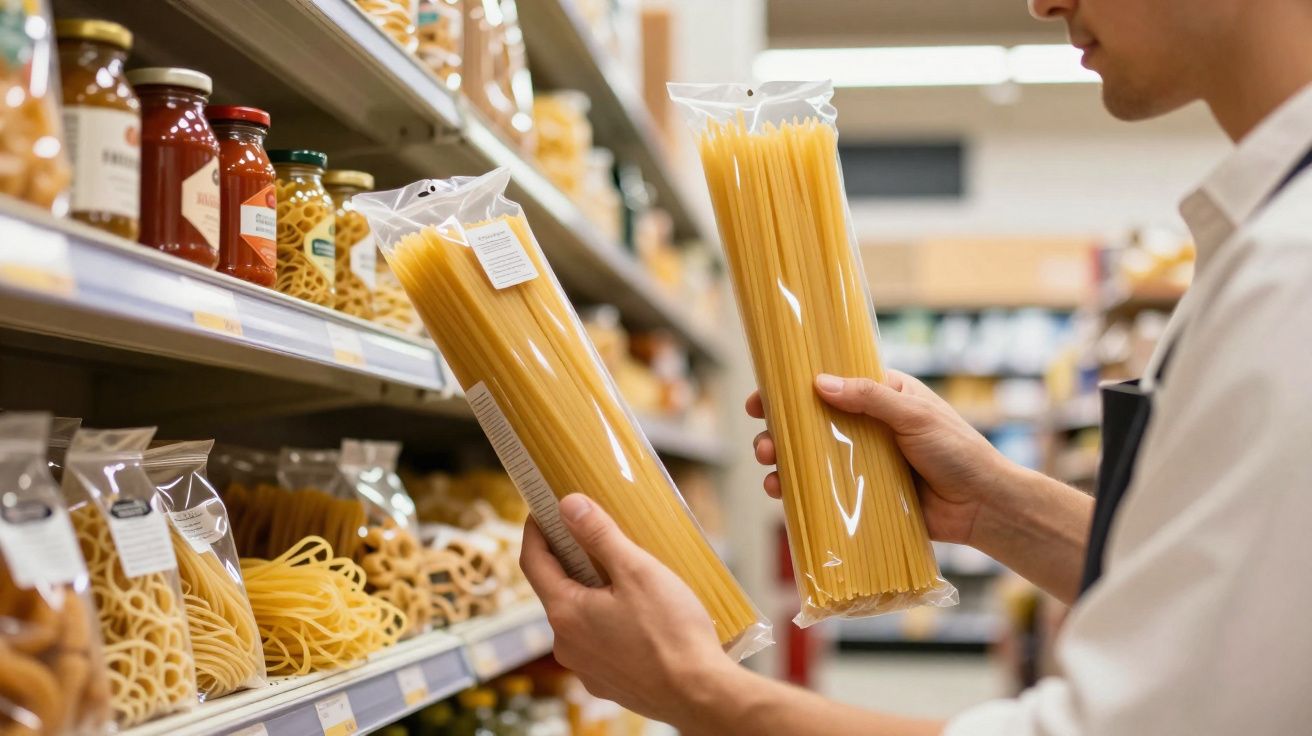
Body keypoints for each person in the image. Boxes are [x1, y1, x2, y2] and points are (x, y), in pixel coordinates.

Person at [518, 0, 1312, 732]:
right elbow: (1249, 604)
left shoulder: (1293, 274)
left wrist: (694, 690)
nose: (1041, 2)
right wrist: (997, 508)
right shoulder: (1271, 245)